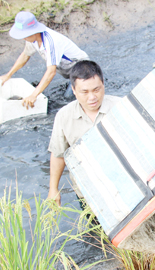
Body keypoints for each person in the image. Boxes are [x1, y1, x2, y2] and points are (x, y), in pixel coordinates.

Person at [47, 60, 121, 206]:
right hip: (87, 191)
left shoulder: (121, 107)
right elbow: (58, 154)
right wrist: (53, 188)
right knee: (94, 226)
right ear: (73, 90)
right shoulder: (64, 116)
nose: (92, 97)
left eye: (96, 90)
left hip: (121, 186)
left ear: (103, 84)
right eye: (84, 92)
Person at [0, 11, 89, 108]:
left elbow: (51, 72)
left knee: (68, 101)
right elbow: (25, 55)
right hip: (67, 70)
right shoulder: (32, 39)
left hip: (82, 69)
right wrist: (9, 74)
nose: (23, 39)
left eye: (24, 36)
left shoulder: (51, 42)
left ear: (32, 32)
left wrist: (34, 95)